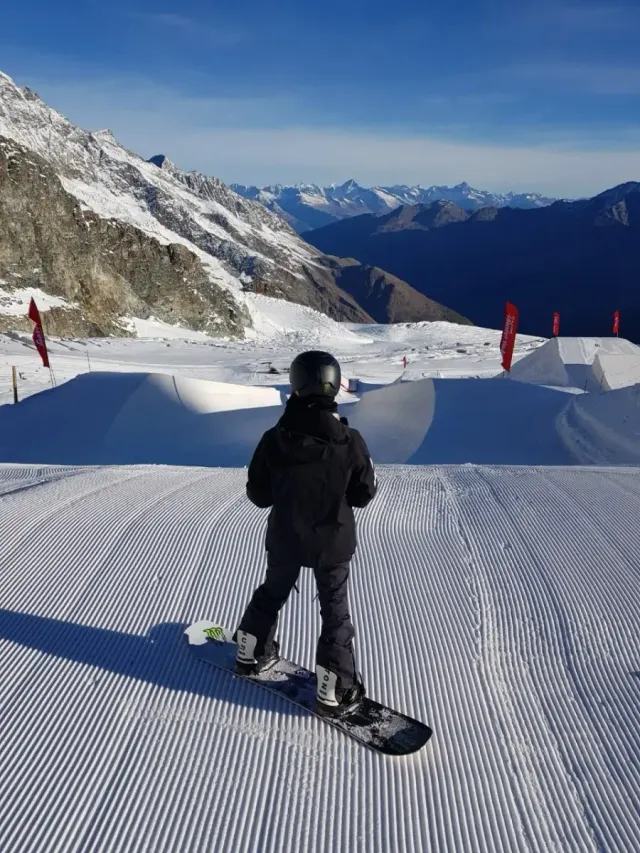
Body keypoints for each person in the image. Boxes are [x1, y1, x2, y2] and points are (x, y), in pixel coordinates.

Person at [235, 350, 377, 716]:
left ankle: (249, 652)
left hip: (285, 537)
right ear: (335, 385)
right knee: (334, 612)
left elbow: (258, 495)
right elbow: (364, 495)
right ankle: (334, 688)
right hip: (333, 540)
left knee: (271, 592)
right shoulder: (351, 440)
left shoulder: (274, 437)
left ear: (296, 384)